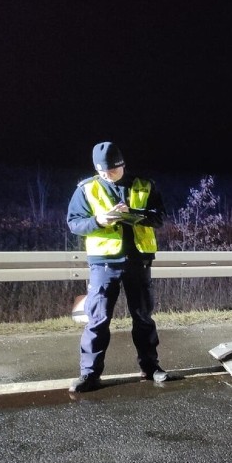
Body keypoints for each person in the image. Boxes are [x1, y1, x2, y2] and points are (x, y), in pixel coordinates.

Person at [67, 142, 169, 392]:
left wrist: (134, 213)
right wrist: (99, 220)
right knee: (98, 319)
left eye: (111, 170)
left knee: (143, 317)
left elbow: (159, 217)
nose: (106, 175)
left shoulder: (145, 185)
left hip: (138, 260)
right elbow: (74, 223)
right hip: (103, 263)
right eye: (101, 171)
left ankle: (151, 367)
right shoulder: (86, 189)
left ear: (122, 165)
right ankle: (89, 375)